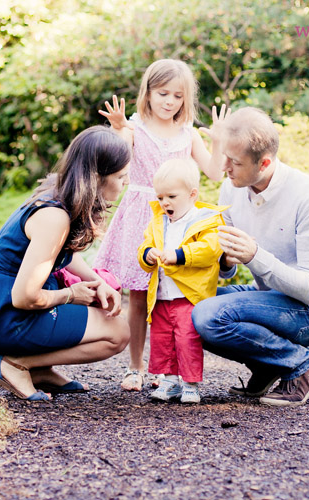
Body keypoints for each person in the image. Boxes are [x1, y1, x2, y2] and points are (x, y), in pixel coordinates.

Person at [191, 107, 309, 407]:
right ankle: (269, 365)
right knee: (187, 308)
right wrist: (224, 260)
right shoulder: (231, 189)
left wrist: (255, 256)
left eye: (234, 162)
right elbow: (228, 269)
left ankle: (301, 366)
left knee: (208, 315)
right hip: (270, 297)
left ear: (264, 162)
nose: (224, 168)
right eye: (224, 157)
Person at [0, 126, 131, 401]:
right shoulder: (54, 217)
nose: (125, 183)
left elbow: (59, 253)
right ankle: (17, 364)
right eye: (120, 176)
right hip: (6, 317)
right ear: (96, 178)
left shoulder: (60, 193)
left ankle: (41, 368)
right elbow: (24, 297)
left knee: (110, 318)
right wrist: (71, 294)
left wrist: (98, 282)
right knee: (117, 332)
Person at [94, 59, 226, 391]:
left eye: (178, 96)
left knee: (172, 297)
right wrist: (119, 129)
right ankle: (136, 367)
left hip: (177, 220)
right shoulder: (135, 127)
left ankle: (168, 371)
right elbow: (119, 160)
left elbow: (213, 171)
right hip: (141, 213)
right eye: (162, 93)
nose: (169, 101)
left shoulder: (188, 133)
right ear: (148, 93)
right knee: (139, 295)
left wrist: (220, 140)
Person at [136, 158, 226, 404]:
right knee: (162, 339)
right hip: (163, 294)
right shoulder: (159, 222)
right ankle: (169, 380)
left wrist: (178, 255)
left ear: (192, 194)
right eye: (161, 197)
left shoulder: (205, 221)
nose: (165, 203)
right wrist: (148, 255)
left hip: (189, 294)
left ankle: (190, 383)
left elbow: (209, 250)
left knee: (187, 339)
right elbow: (145, 245)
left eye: (172, 197)